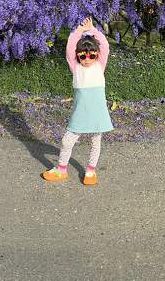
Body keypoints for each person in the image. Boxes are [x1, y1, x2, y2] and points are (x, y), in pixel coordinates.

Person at [42, 17, 114, 186]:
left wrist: (93, 30)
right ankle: (61, 169)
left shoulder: (99, 66)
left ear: (97, 55)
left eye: (91, 54)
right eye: (83, 54)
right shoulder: (76, 68)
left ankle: (90, 171)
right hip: (80, 113)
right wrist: (79, 31)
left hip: (97, 113)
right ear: (78, 55)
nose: (87, 58)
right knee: (67, 141)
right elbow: (69, 49)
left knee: (96, 141)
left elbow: (105, 46)